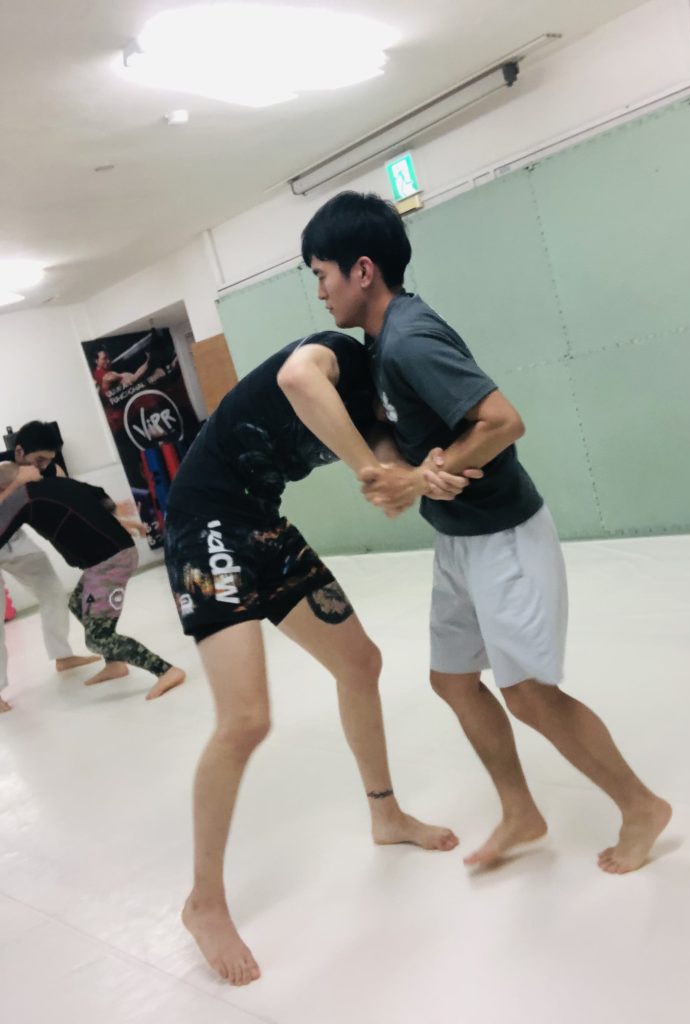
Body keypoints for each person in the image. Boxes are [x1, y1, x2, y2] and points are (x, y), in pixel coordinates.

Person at [299, 190, 672, 876]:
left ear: (362, 271)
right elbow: (418, 435)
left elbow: (503, 422)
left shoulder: (410, 339)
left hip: (504, 536)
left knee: (528, 693)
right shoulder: (380, 343)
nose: (319, 292)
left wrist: (421, 479)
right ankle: (520, 811)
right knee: (452, 679)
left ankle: (640, 806)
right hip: (458, 538)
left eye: (321, 275)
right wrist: (412, 472)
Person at [163, 329, 478, 986]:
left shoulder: (381, 418)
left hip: (263, 525)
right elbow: (298, 380)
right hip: (206, 525)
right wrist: (374, 471)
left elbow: (392, 472)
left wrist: (417, 480)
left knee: (359, 664)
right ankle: (203, 902)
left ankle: (385, 814)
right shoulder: (337, 356)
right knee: (245, 720)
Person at [0, 461, 185, 709]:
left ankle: (166, 670)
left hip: (110, 562)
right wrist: (117, 517)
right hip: (107, 557)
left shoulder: (23, 497)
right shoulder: (52, 484)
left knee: (98, 637)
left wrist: (12, 488)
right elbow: (96, 492)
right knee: (77, 603)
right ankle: (115, 664)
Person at [0, 421, 100, 711]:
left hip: (12, 539)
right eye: (39, 459)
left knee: (52, 589)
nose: (42, 465)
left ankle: (62, 656)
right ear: (19, 451)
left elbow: (68, 493)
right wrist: (17, 482)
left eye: (48, 460)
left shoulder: (46, 468)